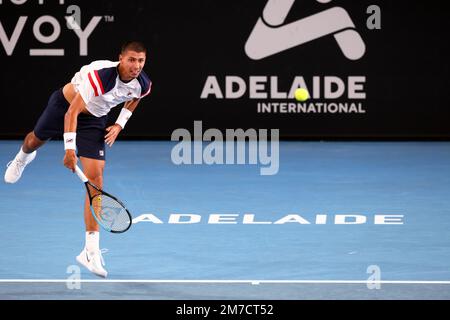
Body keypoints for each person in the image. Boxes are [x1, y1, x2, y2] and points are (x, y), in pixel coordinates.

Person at [4, 41, 152, 278]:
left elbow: (134, 99)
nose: (136, 65)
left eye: (141, 60)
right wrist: (69, 150)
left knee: (96, 180)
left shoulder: (142, 84)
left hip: (94, 120)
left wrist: (119, 124)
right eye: (131, 60)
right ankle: (22, 158)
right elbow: (71, 113)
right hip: (66, 105)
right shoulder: (101, 77)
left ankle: (90, 250)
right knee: (35, 141)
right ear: (121, 59)